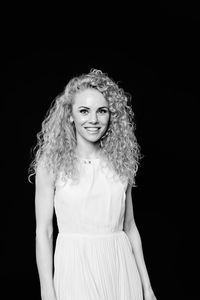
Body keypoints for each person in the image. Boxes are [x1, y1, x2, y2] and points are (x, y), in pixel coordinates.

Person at [29, 69, 157, 300]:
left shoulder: (121, 162)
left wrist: (147, 287)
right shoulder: (50, 165)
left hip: (120, 267)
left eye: (102, 111)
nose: (94, 120)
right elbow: (44, 232)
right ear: (70, 115)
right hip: (75, 269)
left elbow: (130, 227)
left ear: (111, 115)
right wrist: (47, 291)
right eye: (84, 111)